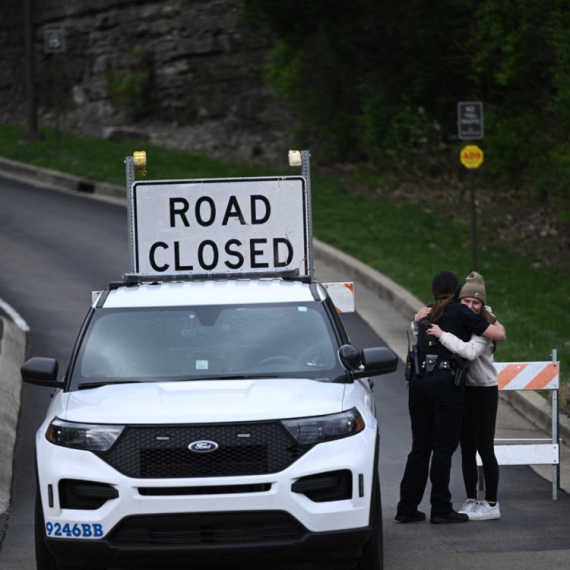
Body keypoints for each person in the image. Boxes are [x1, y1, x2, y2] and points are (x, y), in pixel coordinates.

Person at [395, 271, 506, 524]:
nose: (469, 305)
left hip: (418, 383)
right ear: (456, 294)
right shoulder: (458, 311)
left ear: (433, 290)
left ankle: (407, 507)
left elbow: (419, 329)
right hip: (446, 386)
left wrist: (414, 318)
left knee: (420, 447)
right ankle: (441, 508)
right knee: (444, 448)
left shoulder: (427, 312)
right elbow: (497, 334)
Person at [425, 272, 502, 521]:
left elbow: (468, 352)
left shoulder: (485, 329)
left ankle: (491, 502)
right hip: (462, 389)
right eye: (465, 301)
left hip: (483, 390)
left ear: (482, 305)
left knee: (484, 447)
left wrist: (442, 335)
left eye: (475, 302)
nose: (470, 306)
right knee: (466, 448)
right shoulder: (462, 320)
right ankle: (471, 499)